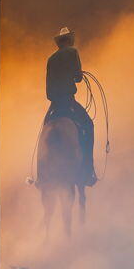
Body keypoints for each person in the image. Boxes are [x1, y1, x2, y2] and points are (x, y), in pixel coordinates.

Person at [45, 27, 97, 186]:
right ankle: (88, 171)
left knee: (43, 131)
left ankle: (42, 177)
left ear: (59, 43)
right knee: (88, 125)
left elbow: (48, 87)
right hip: (68, 101)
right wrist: (77, 75)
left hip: (54, 104)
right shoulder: (72, 52)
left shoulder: (51, 59)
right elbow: (78, 77)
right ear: (69, 41)